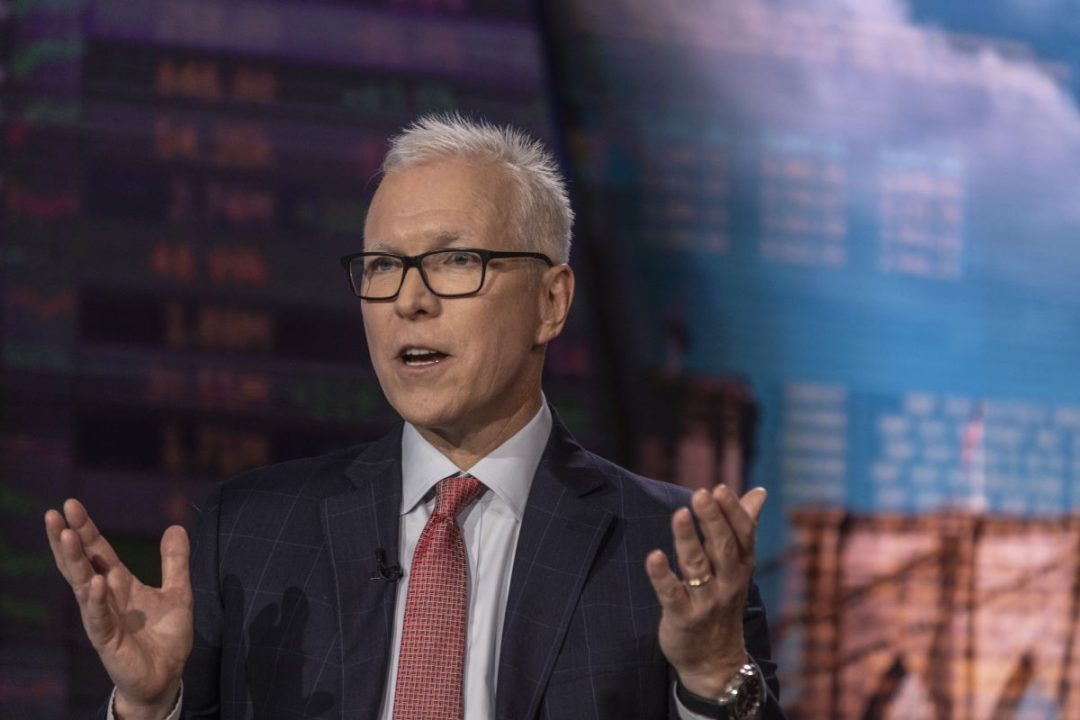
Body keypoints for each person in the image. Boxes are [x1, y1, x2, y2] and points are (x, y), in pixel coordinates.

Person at [46, 115, 784, 719]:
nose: (409, 300)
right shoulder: (247, 534)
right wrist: (150, 706)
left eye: (455, 261)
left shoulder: (673, 555)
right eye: (381, 266)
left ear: (550, 303)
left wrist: (715, 679)